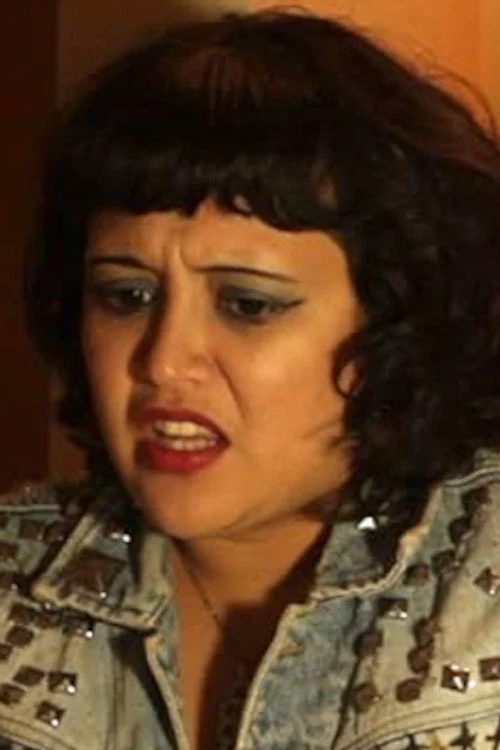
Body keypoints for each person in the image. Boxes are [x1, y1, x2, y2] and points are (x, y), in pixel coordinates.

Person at [1, 9, 500, 750]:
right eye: (126, 295)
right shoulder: (15, 582)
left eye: (247, 305)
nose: (164, 361)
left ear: (395, 322)